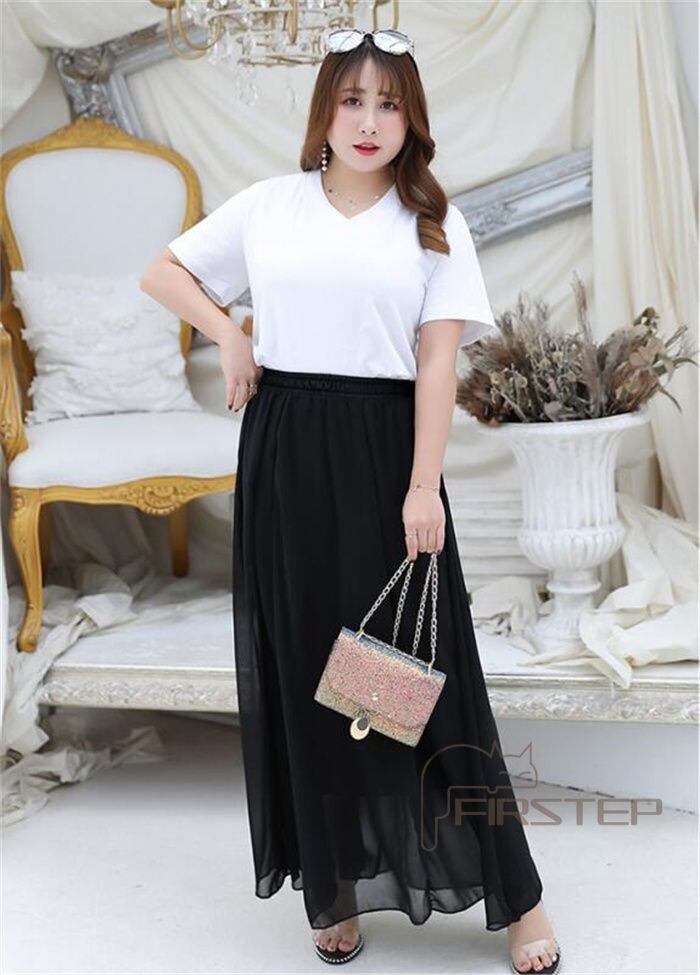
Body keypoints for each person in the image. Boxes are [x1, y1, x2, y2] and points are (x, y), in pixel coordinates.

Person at [141, 27, 561, 975]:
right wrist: (229, 333)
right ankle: (331, 887)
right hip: (286, 444)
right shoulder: (271, 205)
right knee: (310, 668)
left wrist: (423, 486)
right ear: (325, 110)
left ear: (412, 119)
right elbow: (162, 271)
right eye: (352, 100)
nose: (369, 121)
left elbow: (438, 363)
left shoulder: (432, 222)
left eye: (389, 104)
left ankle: (520, 899)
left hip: (384, 449)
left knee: (417, 671)